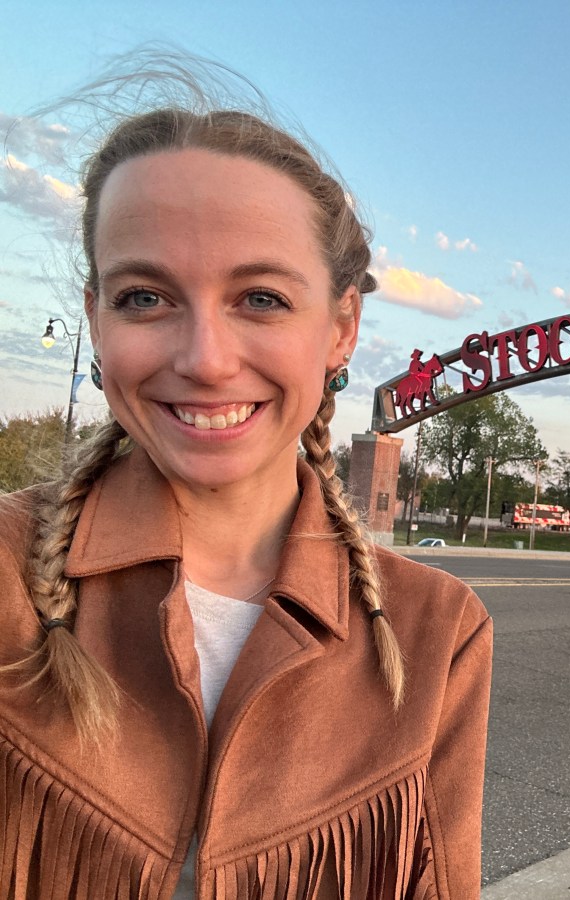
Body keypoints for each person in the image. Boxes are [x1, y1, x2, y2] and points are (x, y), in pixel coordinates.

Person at [0, 63, 492, 898]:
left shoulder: (438, 634)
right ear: (94, 318)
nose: (205, 360)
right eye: (145, 297)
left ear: (341, 328)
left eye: (260, 298)